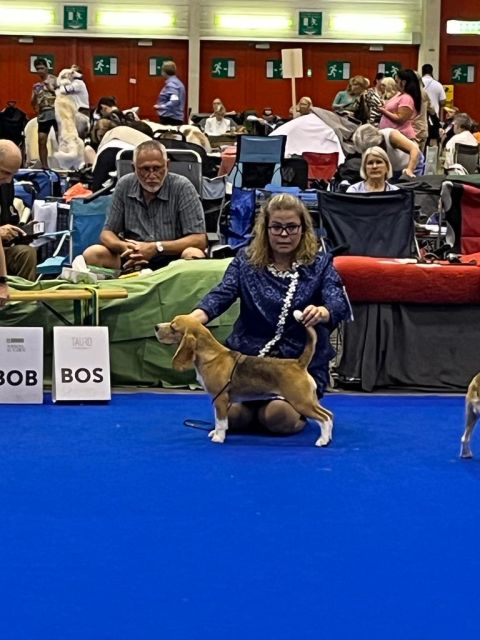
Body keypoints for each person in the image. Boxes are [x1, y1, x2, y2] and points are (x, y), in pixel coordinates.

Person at [186, 193, 350, 435]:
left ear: (304, 229)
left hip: (296, 365)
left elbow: (338, 301)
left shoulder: (320, 264)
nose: (284, 234)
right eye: (276, 227)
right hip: (246, 366)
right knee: (234, 418)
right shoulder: (245, 261)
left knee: (277, 417)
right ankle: (253, 412)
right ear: (265, 229)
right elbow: (221, 294)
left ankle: (289, 410)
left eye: (292, 227)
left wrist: (323, 311)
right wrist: (193, 320)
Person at [83, 139, 207, 271]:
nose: (152, 175)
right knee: (93, 254)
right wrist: (125, 248)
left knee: (193, 254)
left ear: (167, 165)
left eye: (157, 168)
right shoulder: (124, 185)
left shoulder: (183, 187)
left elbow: (199, 239)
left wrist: (156, 247)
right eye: (145, 169)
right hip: (131, 258)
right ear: (134, 168)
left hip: (172, 259)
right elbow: (107, 233)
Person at [0, 140, 36, 306]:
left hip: (3, 248)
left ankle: (24, 307)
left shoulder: (6, 185)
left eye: (13, 175)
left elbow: (9, 219)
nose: (9, 180)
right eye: (6, 173)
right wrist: (1, 282)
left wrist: (21, 232)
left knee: (26, 253)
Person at [353, 123, 423, 178]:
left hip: (412, 164)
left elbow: (414, 149)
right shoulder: (364, 145)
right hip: (394, 169)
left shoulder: (391, 135)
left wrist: (410, 170)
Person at [378, 69, 422, 140]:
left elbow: (401, 119)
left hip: (400, 136)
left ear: (403, 82)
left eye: (396, 81)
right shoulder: (399, 94)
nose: (395, 84)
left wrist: (384, 111)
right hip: (392, 136)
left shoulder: (407, 98)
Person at [31, 57, 57, 169]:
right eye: (38, 69)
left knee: (61, 139)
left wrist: (50, 89)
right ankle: (45, 166)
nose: (40, 71)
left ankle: (64, 163)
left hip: (56, 112)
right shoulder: (36, 85)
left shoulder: (55, 80)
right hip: (43, 114)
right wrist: (34, 96)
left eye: (42, 68)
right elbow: (32, 102)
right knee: (41, 139)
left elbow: (63, 96)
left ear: (47, 68)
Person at [154, 61, 186, 126]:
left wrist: (160, 107)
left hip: (170, 118)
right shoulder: (178, 83)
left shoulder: (172, 84)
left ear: (164, 72)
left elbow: (174, 101)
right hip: (174, 117)